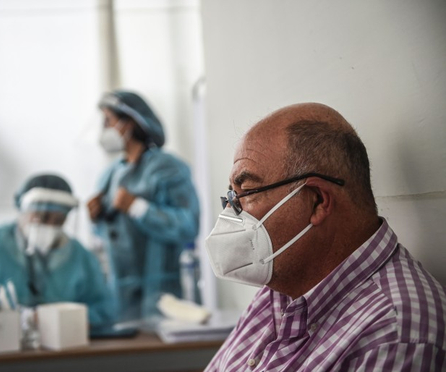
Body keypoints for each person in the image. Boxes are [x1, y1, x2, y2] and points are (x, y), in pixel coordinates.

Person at [204, 103, 446, 371]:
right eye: (231, 195)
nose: (231, 211)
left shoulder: (394, 332)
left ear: (317, 201)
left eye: (247, 192)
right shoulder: (280, 291)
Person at [88, 90, 200, 323]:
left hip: (162, 294)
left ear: (130, 123)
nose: (104, 128)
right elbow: (113, 239)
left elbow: (188, 225)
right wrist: (96, 218)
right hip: (120, 298)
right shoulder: (109, 175)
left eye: (108, 120)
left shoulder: (167, 168)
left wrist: (137, 207)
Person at [0, 174, 113, 326]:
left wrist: (57, 320)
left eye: (58, 220)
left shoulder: (80, 257)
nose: (49, 226)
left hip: (65, 348)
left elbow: (104, 309)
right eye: (41, 217)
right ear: (21, 208)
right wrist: (6, 316)